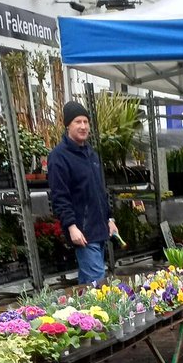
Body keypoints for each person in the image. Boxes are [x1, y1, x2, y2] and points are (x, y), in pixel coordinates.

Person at [47, 100, 118, 284]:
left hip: (99, 229)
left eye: (86, 122)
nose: (83, 126)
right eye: (78, 122)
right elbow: (59, 196)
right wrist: (71, 226)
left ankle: (81, 313)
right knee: (98, 285)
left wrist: (110, 219)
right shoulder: (58, 157)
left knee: (88, 285)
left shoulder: (91, 154)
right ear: (67, 125)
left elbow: (100, 190)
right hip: (84, 233)